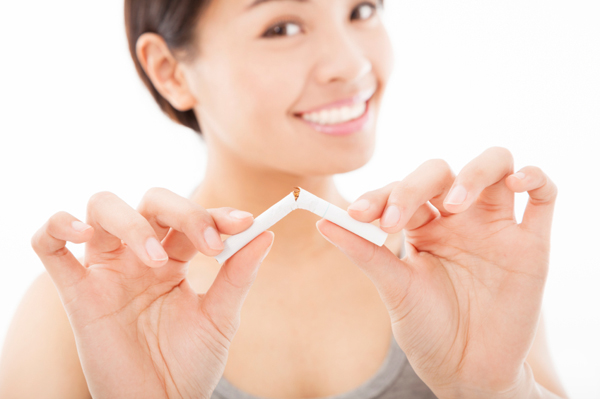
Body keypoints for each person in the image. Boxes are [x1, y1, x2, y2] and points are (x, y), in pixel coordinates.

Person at [0, 0, 569, 398]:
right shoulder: (81, 311)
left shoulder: (457, 276)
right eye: (283, 27)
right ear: (170, 70)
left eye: (362, 10)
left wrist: (493, 393)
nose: (352, 64)